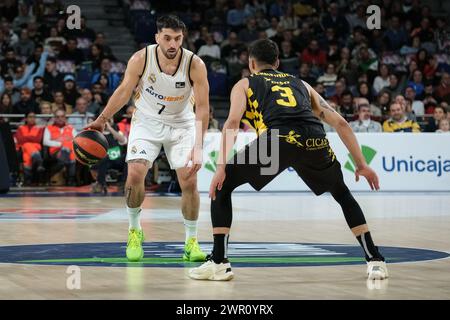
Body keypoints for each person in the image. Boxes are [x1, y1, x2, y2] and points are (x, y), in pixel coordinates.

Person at [189, 39, 388, 281]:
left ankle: (219, 262)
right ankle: (375, 260)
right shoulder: (301, 84)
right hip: (315, 140)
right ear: (277, 63)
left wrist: (221, 167)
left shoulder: (245, 83)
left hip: (277, 142)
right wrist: (361, 165)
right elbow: (341, 123)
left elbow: (231, 123)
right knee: (342, 193)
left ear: (251, 63)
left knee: (223, 186)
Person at [86, 15, 210, 262]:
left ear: (182, 38)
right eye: (167, 38)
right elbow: (123, 92)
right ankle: (134, 230)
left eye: (177, 38)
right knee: (134, 174)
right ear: (157, 38)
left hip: (182, 123)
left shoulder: (194, 64)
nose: (172, 44)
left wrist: (198, 147)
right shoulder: (141, 59)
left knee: (189, 180)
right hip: (147, 121)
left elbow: (204, 107)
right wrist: (101, 119)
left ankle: (191, 241)